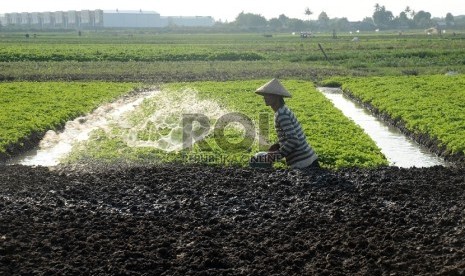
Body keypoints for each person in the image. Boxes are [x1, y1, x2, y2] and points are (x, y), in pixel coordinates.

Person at [255, 78, 319, 169]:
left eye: (267, 95)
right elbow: (290, 137)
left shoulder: (282, 114)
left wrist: (276, 155)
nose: (264, 97)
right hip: (307, 159)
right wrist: (278, 145)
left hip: (303, 163)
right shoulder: (282, 111)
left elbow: (293, 140)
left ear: (276, 96)